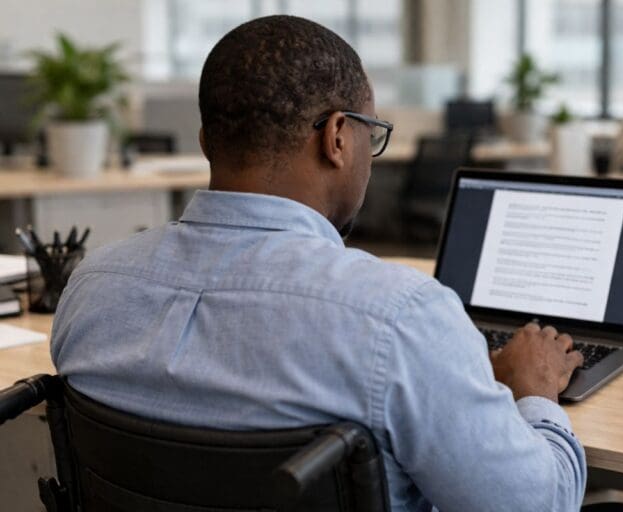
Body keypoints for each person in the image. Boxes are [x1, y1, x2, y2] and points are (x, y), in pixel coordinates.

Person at [51, 15, 586, 511]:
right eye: (369, 135)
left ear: (206, 142)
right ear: (336, 137)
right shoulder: (400, 319)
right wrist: (534, 394)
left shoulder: (91, 289)